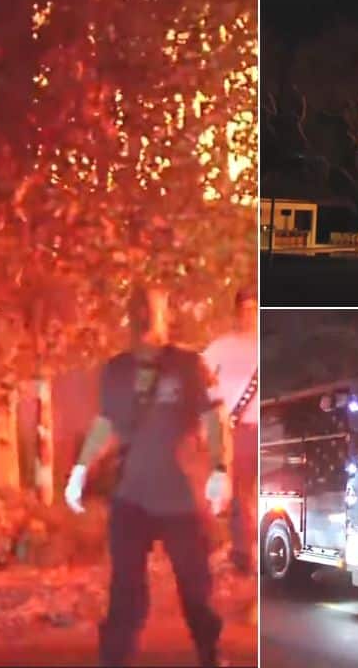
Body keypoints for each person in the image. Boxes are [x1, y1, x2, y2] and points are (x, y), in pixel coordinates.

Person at [64, 284, 232, 668]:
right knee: (125, 590)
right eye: (137, 310)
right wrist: (80, 469)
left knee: (195, 588)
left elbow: (214, 418)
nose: (143, 318)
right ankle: (114, 658)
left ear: (165, 316)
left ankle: (210, 652)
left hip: (180, 497)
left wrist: (220, 468)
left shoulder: (188, 366)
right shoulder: (116, 370)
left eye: (151, 310)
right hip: (131, 496)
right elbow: (105, 423)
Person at [201, 285, 258, 582]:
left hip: (270, 429)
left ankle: (262, 554)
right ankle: (243, 557)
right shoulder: (221, 348)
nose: (250, 315)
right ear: (237, 313)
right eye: (245, 310)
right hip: (238, 431)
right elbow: (197, 376)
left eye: (255, 309)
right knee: (239, 497)